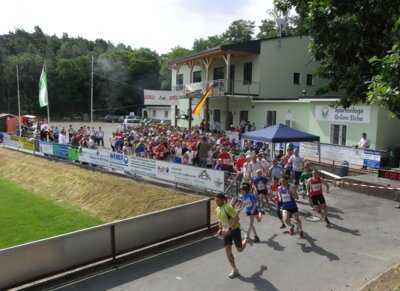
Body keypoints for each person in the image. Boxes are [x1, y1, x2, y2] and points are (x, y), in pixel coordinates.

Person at [215, 193, 252, 279]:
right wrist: (220, 229)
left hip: (234, 230)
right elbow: (220, 221)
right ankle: (235, 270)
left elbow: (236, 219)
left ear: (222, 200)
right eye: (215, 200)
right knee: (228, 251)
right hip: (225, 232)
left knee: (239, 249)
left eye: (217, 200)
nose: (216, 201)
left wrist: (230, 228)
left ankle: (246, 240)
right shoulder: (217, 209)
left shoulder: (228, 208)